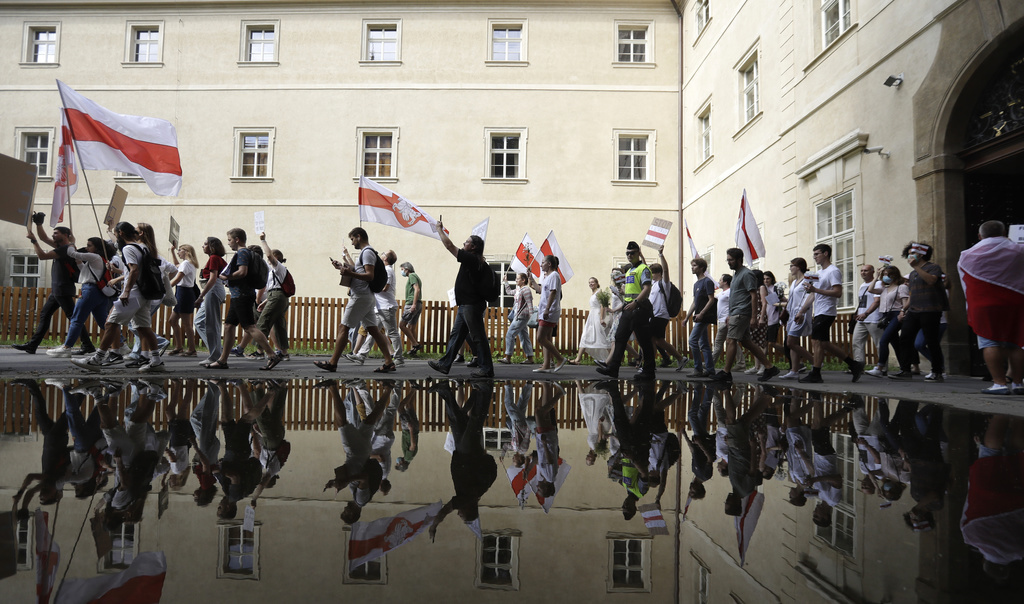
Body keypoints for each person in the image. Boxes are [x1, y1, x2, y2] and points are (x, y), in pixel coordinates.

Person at [71, 222, 165, 372]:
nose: (115, 237)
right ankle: (156, 361)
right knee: (144, 328)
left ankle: (97, 359)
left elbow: (134, 270)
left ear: (121, 233)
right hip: (144, 293)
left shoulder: (128, 249)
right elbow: (134, 270)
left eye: (115, 234)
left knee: (111, 323)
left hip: (133, 293)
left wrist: (126, 291)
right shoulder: (144, 247)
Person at [313, 228, 396, 373]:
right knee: (374, 331)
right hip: (366, 296)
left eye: (352, 239)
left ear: (359, 236)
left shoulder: (367, 252)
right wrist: (344, 267)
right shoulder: (367, 253)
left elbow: (369, 275)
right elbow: (359, 271)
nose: (352, 243)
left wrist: (350, 272)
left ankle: (333, 363)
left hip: (360, 296)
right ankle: (389, 362)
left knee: (343, 327)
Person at [200, 228, 282, 370]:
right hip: (239, 295)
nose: (229, 243)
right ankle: (222, 360)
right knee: (229, 326)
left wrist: (226, 277)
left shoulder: (242, 252)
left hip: (242, 295)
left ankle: (272, 355)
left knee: (250, 327)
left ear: (237, 239)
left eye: (230, 240)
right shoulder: (247, 253)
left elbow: (242, 272)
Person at [958, 221, 1024, 393]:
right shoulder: (1019, 250)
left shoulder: (967, 255)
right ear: (1003, 232)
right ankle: (1018, 384)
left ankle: (999, 384)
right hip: (1015, 301)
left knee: (989, 342)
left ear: (980, 236)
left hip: (984, 304)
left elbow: (966, 282)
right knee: (1016, 342)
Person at [15, 215, 95, 355]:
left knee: (73, 317)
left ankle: (87, 345)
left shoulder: (65, 250)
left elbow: (42, 256)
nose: (53, 235)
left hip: (62, 289)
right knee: (46, 314)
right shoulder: (65, 247)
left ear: (65, 235)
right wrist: (39, 224)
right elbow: (44, 238)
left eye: (56, 233)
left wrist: (33, 241)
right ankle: (32, 345)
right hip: (59, 289)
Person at [427, 220, 495, 378]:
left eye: (467, 242)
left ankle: (486, 368)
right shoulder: (473, 260)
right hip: (466, 305)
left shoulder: (472, 259)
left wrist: (439, 230)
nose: (464, 244)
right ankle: (445, 364)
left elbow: (450, 246)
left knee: (478, 336)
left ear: (473, 247)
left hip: (471, 305)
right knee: (457, 335)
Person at [795, 243, 864, 383]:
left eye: (817, 254)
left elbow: (838, 293)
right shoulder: (819, 273)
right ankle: (854, 365)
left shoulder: (833, 271)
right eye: (814, 254)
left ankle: (816, 373)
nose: (814, 257)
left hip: (827, 311)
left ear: (826, 254)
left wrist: (816, 290)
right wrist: (802, 311)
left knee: (817, 341)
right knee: (824, 343)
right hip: (819, 311)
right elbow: (813, 295)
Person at [710, 248, 779, 383]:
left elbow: (753, 296)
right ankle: (770, 367)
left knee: (730, 340)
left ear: (739, 259)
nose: (728, 262)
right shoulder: (736, 274)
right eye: (728, 259)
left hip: (742, 313)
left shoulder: (747, 274)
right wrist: (730, 313)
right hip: (736, 313)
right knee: (747, 342)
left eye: (731, 260)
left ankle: (726, 372)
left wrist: (754, 317)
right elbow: (736, 296)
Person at [44, 237, 115, 358]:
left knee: (77, 319)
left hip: (90, 290)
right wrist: (78, 261)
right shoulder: (100, 259)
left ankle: (67, 348)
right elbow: (85, 271)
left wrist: (71, 243)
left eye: (89, 245)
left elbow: (71, 253)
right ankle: (121, 344)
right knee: (104, 322)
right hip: (99, 292)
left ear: (96, 248)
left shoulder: (94, 257)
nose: (87, 248)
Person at [596, 241, 657, 380]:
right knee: (619, 337)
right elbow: (631, 290)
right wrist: (622, 291)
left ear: (638, 253)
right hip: (628, 307)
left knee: (644, 341)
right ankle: (613, 369)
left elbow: (647, 288)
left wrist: (636, 302)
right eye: (627, 253)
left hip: (639, 308)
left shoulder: (643, 269)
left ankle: (649, 371)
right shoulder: (629, 270)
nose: (629, 255)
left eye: (632, 253)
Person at [890, 242, 947, 382]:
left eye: (912, 253)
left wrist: (915, 266)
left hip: (930, 310)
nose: (910, 256)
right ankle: (905, 370)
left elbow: (931, 281)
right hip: (914, 311)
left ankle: (937, 372)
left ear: (921, 254)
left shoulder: (933, 267)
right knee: (905, 338)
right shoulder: (914, 273)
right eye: (909, 253)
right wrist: (904, 309)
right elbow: (912, 294)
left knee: (931, 341)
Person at [351, 249, 404, 367]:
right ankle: (361, 356)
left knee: (392, 332)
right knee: (373, 333)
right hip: (380, 307)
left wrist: (372, 286)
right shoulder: (385, 270)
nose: (381, 255)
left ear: (385, 259)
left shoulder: (388, 270)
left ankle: (399, 358)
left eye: (383, 254)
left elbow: (385, 288)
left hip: (387, 307)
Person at [866, 265, 910, 377]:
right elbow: (870, 289)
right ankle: (905, 369)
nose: (885, 277)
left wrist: (902, 312)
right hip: (886, 316)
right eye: (884, 274)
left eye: (888, 274)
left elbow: (905, 303)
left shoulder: (901, 287)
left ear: (894, 275)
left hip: (896, 315)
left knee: (883, 340)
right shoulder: (884, 288)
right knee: (896, 343)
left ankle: (880, 368)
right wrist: (876, 277)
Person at [255, 232, 291, 361]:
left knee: (263, 323)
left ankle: (260, 351)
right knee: (279, 325)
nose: (267, 259)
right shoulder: (276, 271)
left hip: (277, 297)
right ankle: (284, 352)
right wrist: (265, 302)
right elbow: (275, 289)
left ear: (275, 258)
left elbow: (269, 254)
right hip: (278, 297)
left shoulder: (277, 267)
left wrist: (263, 241)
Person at [649, 247, 686, 370]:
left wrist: (660, 254)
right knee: (658, 341)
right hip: (654, 315)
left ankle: (650, 365)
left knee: (652, 339)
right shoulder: (653, 285)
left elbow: (666, 269)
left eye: (652, 273)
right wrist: (641, 256)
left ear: (658, 273)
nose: (650, 275)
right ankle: (681, 358)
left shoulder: (664, 284)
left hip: (660, 315)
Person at [194, 237, 228, 365]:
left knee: (211, 323)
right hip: (216, 289)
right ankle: (217, 351)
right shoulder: (218, 259)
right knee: (200, 321)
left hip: (213, 290)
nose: (203, 246)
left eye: (205, 244)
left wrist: (201, 296)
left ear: (212, 246)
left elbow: (213, 278)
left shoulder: (214, 258)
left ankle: (215, 356)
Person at [531, 255, 567, 373]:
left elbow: (553, 293)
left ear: (549, 264)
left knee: (540, 338)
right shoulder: (547, 277)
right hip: (544, 311)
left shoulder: (554, 276)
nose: (541, 265)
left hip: (549, 311)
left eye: (543, 262)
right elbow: (541, 291)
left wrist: (547, 309)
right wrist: (531, 279)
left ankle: (560, 358)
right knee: (546, 338)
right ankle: (546, 365)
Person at [779, 258, 814, 379]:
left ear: (798, 267)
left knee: (790, 342)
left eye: (791, 266)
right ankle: (794, 370)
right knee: (793, 343)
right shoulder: (794, 282)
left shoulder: (806, 280)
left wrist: (802, 311)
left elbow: (810, 297)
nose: (790, 268)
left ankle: (814, 361)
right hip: (792, 314)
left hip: (801, 314)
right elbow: (792, 300)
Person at [685, 257, 717, 377]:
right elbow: (695, 302)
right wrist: (687, 317)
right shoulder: (696, 284)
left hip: (704, 317)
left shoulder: (707, 281)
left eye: (694, 266)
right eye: (692, 265)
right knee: (704, 344)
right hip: (698, 316)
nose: (692, 268)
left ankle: (698, 369)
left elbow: (711, 300)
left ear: (702, 268)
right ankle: (710, 369)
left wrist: (702, 313)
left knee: (692, 341)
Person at [167, 243, 199, 356]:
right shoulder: (189, 264)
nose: (178, 252)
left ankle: (192, 349)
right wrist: (172, 251)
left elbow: (177, 279)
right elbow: (176, 265)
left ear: (186, 252)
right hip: (183, 292)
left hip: (184, 293)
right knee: (172, 321)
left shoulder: (186, 264)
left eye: (179, 250)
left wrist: (165, 288)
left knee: (187, 323)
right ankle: (179, 346)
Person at [851, 264, 882, 368]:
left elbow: (876, 301)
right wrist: (859, 313)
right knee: (857, 342)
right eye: (861, 270)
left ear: (872, 272)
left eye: (866, 271)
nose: (863, 272)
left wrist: (866, 313)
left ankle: (882, 367)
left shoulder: (878, 284)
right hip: (861, 319)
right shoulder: (862, 285)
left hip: (874, 318)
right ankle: (858, 367)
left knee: (879, 344)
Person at [501, 272, 536, 364]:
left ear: (523, 280)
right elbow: (508, 292)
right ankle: (530, 358)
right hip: (518, 316)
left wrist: (532, 317)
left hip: (522, 317)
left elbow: (529, 304)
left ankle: (508, 357)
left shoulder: (526, 290)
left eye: (518, 278)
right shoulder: (518, 290)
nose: (516, 280)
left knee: (510, 334)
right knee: (524, 336)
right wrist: (506, 282)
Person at [399, 262, 424, 356]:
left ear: (406, 269)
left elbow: (417, 289)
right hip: (419, 304)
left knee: (402, 325)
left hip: (411, 304)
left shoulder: (412, 276)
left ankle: (415, 344)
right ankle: (414, 350)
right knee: (411, 327)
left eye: (402, 269)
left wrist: (413, 304)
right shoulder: (415, 276)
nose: (402, 272)